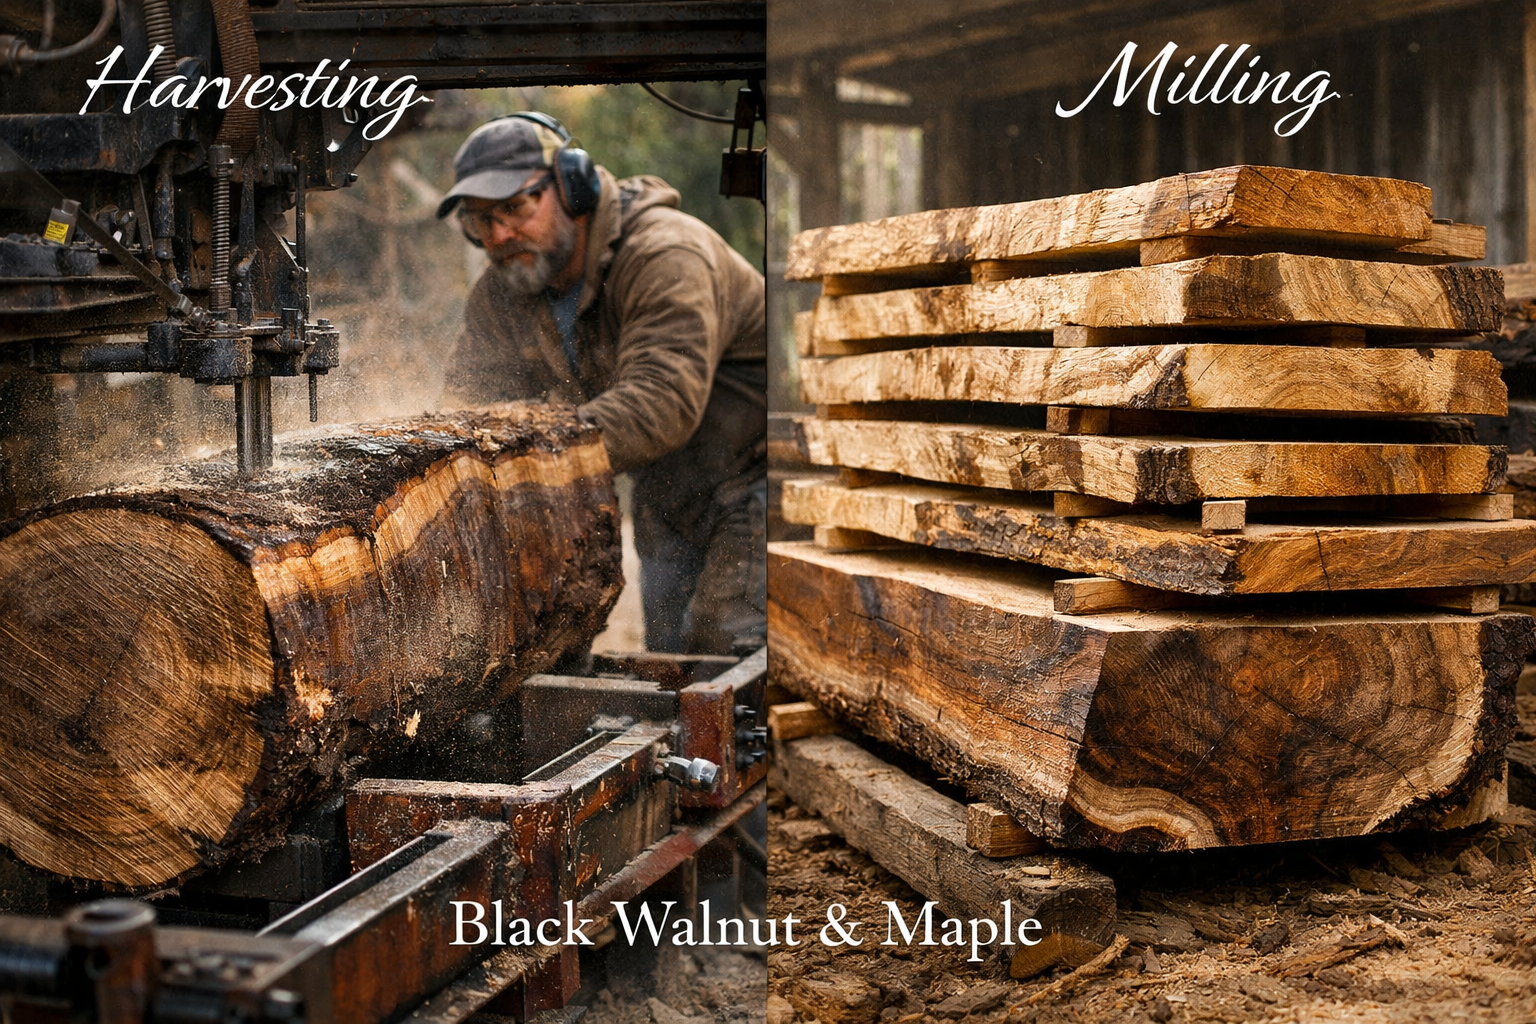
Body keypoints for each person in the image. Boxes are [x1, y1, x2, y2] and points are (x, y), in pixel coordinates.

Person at [436, 112, 766, 655]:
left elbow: (659, 405)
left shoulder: (665, 255)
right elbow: (468, 403)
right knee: (672, 665)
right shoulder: (505, 291)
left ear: (573, 186)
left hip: (756, 483)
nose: (498, 235)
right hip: (671, 495)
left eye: (516, 208)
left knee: (722, 650)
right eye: (480, 221)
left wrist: (523, 458)